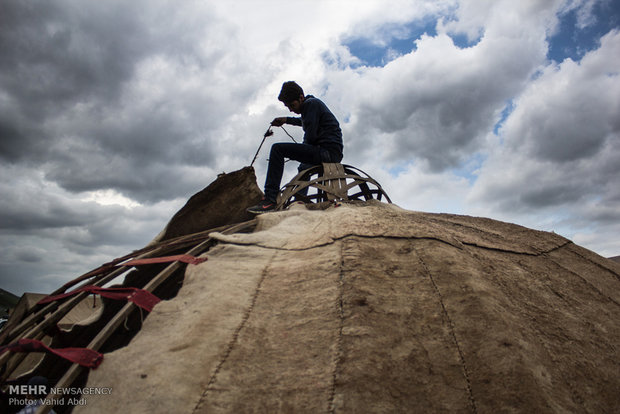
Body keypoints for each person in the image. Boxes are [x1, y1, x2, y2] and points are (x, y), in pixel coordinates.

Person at [247, 81, 343, 213]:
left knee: (278, 149)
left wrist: (298, 152)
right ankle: (299, 201)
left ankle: (269, 200)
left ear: (301, 98)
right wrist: (286, 119)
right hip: (331, 152)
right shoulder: (312, 106)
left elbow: (310, 137)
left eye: (292, 105)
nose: (291, 109)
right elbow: (304, 121)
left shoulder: (311, 104)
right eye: (288, 107)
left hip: (326, 151)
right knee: (304, 167)